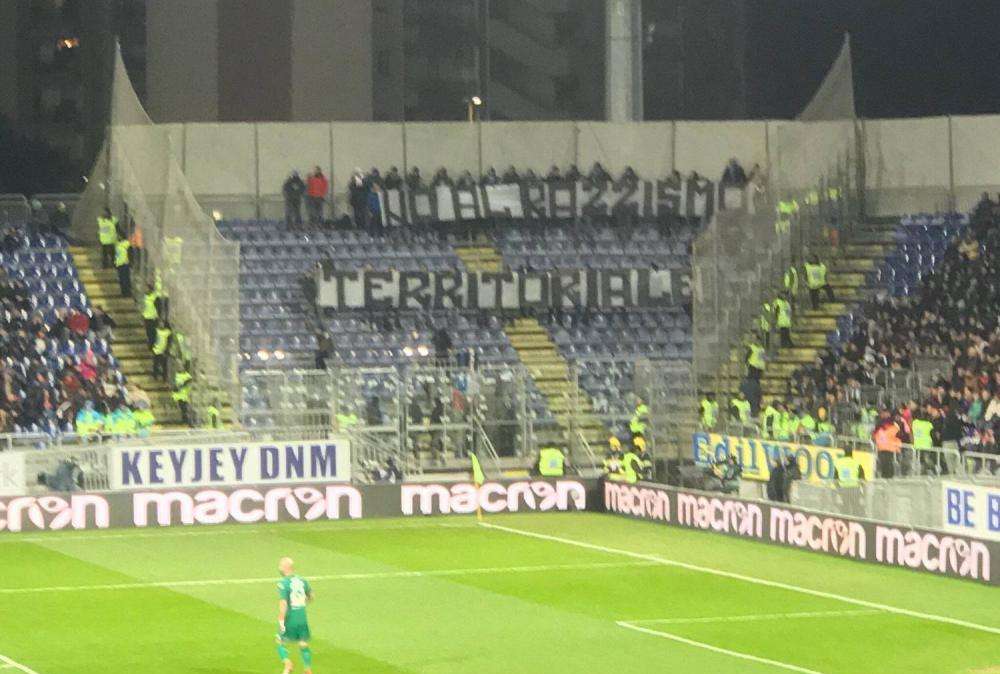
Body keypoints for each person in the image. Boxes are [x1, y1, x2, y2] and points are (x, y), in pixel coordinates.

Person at [276, 557, 314, 674]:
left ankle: (288, 664)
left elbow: (283, 602)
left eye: (280, 566)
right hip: (302, 617)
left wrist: (282, 617)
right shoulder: (303, 581)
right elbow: (311, 596)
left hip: (290, 617)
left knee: (279, 640)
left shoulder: (283, 583)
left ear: (285, 567)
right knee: (303, 643)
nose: (279, 568)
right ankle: (307, 669)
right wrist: (302, 604)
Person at [834, 446, 864, 515]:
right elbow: (862, 478)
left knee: (845, 508)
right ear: (851, 453)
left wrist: (838, 489)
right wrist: (861, 490)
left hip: (843, 489)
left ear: (844, 453)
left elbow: (835, 478)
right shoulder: (857, 463)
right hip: (855, 489)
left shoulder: (838, 462)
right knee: (856, 508)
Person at [113, 231, 131, 297]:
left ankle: (127, 293)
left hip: (125, 264)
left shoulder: (126, 244)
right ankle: (123, 292)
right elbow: (117, 255)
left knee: (125, 279)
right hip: (119, 264)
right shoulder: (117, 244)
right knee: (122, 280)